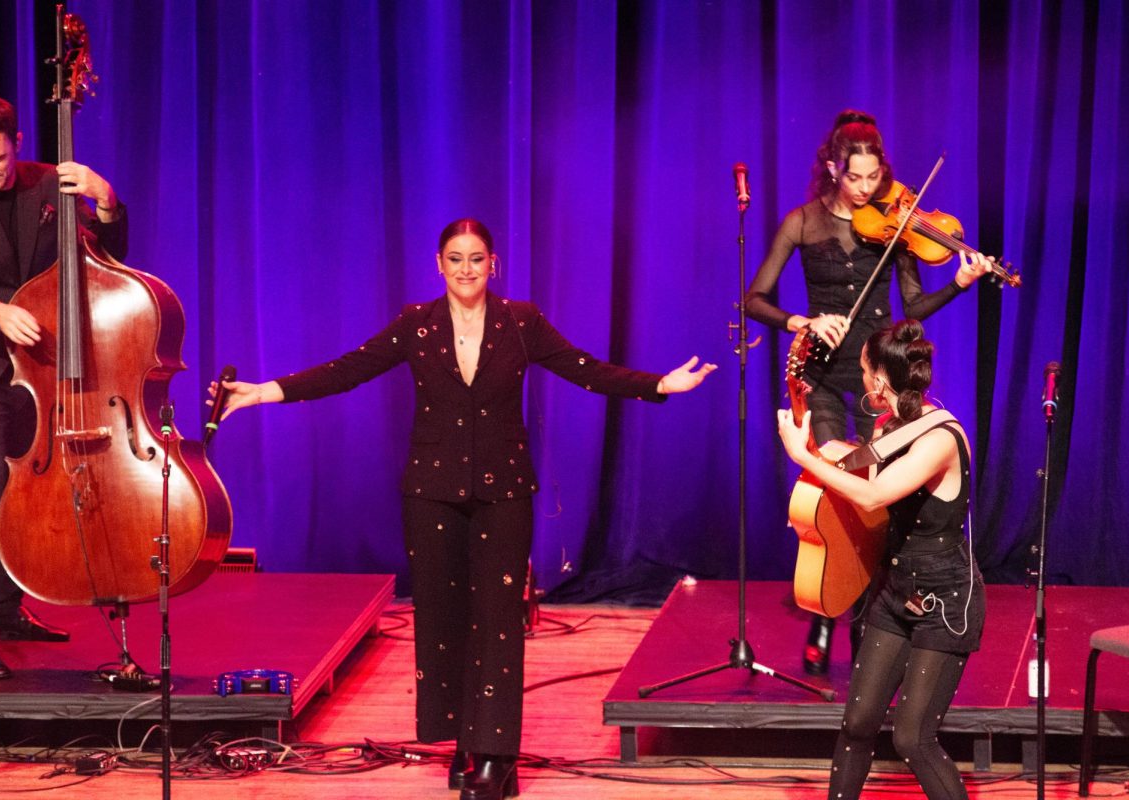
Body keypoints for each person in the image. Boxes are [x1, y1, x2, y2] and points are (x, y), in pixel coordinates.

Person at [213, 218, 716, 800]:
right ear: (439, 264)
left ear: (493, 264)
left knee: (498, 621)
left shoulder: (520, 323)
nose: (466, 269)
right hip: (431, 492)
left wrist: (659, 385)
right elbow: (349, 370)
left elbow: (586, 370)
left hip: (503, 491)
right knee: (444, 620)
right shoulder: (415, 325)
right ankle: (463, 743)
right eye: (456, 259)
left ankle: (497, 758)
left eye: (477, 259)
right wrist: (264, 391)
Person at [745, 109, 991, 675]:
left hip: (881, 390)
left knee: (877, 506)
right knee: (835, 497)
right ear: (833, 168)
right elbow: (753, 298)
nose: (864, 189)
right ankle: (824, 613)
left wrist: (957, 282)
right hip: (827, 381)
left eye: (873, 179)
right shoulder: (802, 223)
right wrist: (799, 322)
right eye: (854, 178)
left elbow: (915, 308)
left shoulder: (895, 224)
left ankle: (862, 628)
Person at [777, 319, 984, 799]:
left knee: (913, 738)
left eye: (863, 369)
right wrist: (814, 450)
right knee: (857, 724)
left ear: (876, 381)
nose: (860, 377)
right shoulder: (887, 427)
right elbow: (854, 483)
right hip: (894, 593)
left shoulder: (940, 438)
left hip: (945, 602)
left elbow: (874, 498)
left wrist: (802, 459)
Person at [0, 96, 128, 679]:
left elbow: (106, 258)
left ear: (16, 142)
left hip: (37, 367)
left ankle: (7, 612)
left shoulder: (47, 184)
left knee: (25, 494)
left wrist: (105, 200)